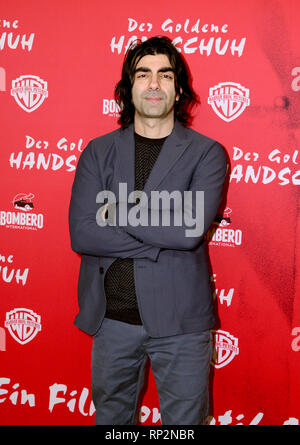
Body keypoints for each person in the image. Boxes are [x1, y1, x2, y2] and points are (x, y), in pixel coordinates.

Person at [69, 36, 227, 425]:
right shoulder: (98, 151)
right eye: (143, 74)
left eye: (165, 75)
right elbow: (83, 233)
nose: (153, 84)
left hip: (182, 325)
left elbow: (189, 231)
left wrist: (114, 209)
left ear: (178, 91)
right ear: (128, 89)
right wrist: (158, 237)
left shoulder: (207, 153)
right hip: (112, 323)